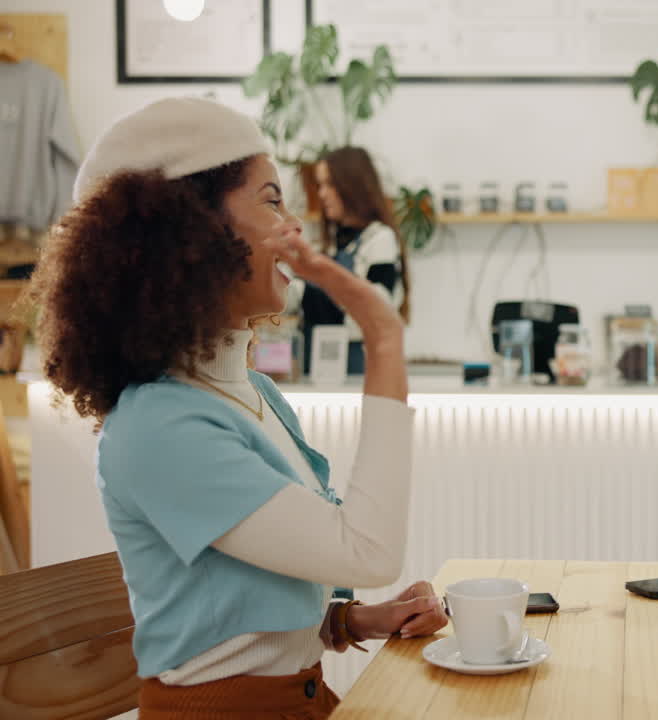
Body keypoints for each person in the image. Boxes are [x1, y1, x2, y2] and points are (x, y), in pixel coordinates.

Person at [28, 97, 444, 719]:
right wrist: (382, 338)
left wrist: (351, 620)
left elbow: (237, 604)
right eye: (273, 201)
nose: (294, 228)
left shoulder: (252, 393)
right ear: (193, 233)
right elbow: (368, 553)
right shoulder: (160, 427)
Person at [298, 146, 409, 375]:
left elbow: (377, 305)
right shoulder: (326, 244)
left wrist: (316, 285)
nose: (322, 194)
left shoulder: (380, 239)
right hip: (316, 356)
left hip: (357, 360)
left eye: (329, 184)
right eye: (319, 185)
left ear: (352, 185)